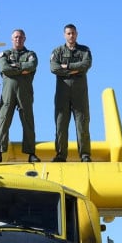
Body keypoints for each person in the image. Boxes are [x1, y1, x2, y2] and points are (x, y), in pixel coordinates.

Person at [0, 28, 39, 162]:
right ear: (11, 39)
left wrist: (14, 67)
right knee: (4, 120)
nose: (18, 39)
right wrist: (21, 69)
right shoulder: (5, 54)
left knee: (28, 121)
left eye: (20, 37)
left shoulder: (31, 54)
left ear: (24, 39)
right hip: (8, 93)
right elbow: (4, 68)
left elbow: (31, 65)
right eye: (15, 37)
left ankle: (31, 153)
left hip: (25, 92)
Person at [49, 23, 92, 162]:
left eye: (73, 33)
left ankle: (85, 154)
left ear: (77, 34)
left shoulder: (84, 50)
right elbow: (54, 68)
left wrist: (66, 67)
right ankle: (61, 155)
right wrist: (75, 70)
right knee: (61, 125)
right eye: (68, 33)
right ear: (64, 35)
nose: (71, 35)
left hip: (80, 93)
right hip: (62, 93)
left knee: (82, 124)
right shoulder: (57, 51)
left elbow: (86, 64)